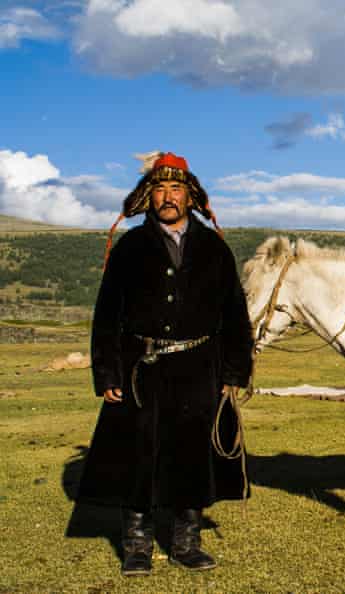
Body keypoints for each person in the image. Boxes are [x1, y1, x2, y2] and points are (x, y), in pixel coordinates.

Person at [77, 151, 254, 577]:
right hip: (141, 369)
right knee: (137, 454)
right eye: (159, 189)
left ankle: (185, 543)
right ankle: (137, 545)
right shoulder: (130, 249)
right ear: (148, 196)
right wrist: (107, 372)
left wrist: (233, 372)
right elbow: (107, 316)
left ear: (190, 196)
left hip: (200, 368)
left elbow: (234, 314)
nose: (168, 197)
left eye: (176, 189)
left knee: (192, 454)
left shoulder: (214, 248)